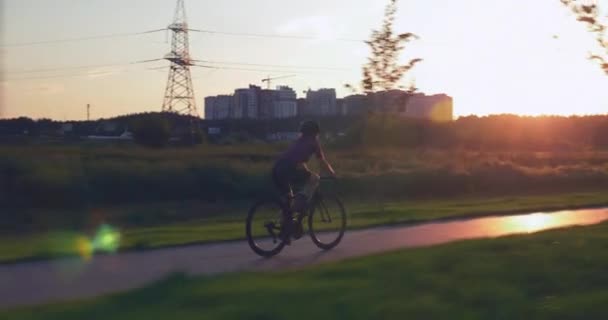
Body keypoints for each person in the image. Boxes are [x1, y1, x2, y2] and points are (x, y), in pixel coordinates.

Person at [272, 120, 336, 240]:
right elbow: (321, 161)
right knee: (315, 178)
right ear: (315, 133)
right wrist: (332, 173)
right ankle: (301, 203)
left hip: (277, 169)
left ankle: (286, 229)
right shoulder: (313, 142)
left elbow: (298, 162)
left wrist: (307, 171)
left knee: (288, 200)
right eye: (317, 134)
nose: (317, 136)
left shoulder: (299, 142)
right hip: (288, 170)